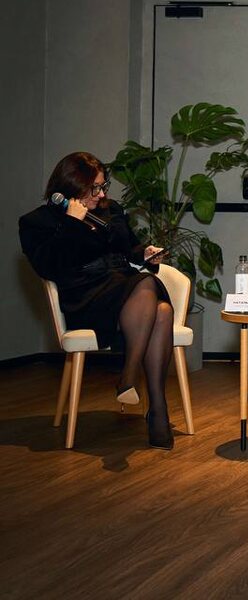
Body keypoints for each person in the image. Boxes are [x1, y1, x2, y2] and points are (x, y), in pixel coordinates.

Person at [19, 152, 175, 449]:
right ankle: (137, 387)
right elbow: (48, 267)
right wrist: (72, 224)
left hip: (122, 286)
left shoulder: (111, 210)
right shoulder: (36, 222)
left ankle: (153, 403)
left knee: (162, 308)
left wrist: (144, 253)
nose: (102, 194)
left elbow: (129, 248)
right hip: (85, 296)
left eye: (103, 186)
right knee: (149, 290)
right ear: (72, 187)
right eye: (95, 188)